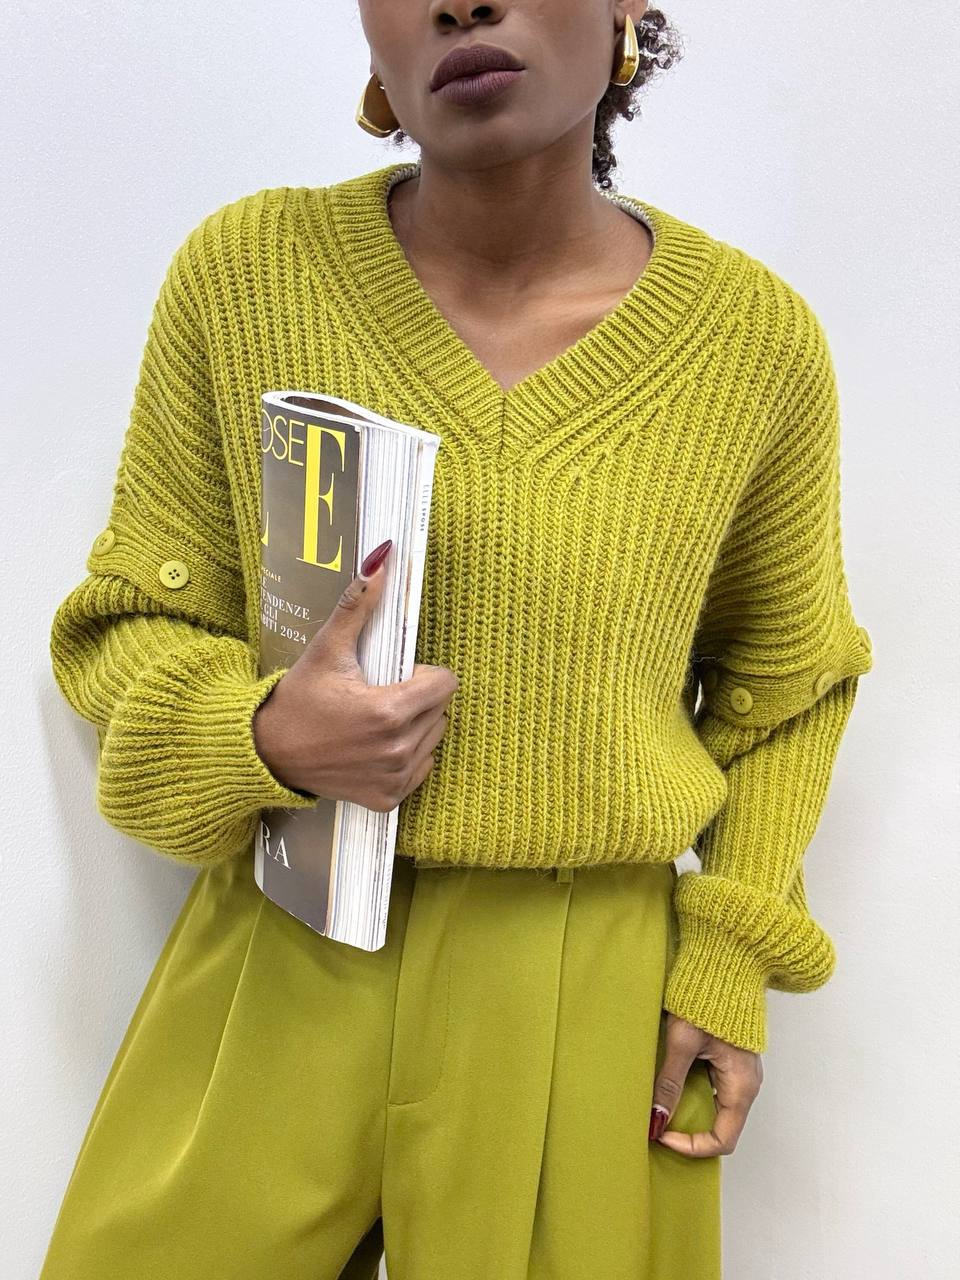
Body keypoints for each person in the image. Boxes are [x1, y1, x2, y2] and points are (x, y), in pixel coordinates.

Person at [39, 3, 874, 1278]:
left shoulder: (753, 344)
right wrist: (262, 732)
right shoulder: (247, 272)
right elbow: (128, 620)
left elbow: (786, 687)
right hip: (279, 942)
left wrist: (727, 957)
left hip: (586, 989)